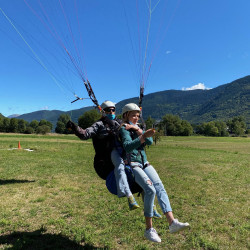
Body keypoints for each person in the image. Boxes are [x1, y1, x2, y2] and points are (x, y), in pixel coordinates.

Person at [119, 103, 190, 243]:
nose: (136, 118)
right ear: (126, 115)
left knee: (160, 186)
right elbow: (127, 147)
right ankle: (149, 230)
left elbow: (150, 141)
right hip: (133, 164)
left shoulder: (136, 127)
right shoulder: (123, 128)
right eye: (133, 115)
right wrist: (142, 135)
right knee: (150, 190)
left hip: (145, 163)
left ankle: (172, 222)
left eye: (137, 116)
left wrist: (139, 130)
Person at [66, 100, 140, 210]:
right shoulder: (99, 125)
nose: (111, 112)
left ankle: (148, 200)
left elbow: (132, 127)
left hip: (124, 154)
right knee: (119, 165)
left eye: (113, 110)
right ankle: (127, 195)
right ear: (103, 112)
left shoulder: (120, 122)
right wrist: (75, 128)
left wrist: (138, 120)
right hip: (107, 157)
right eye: (108, 110)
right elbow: (85, 133)